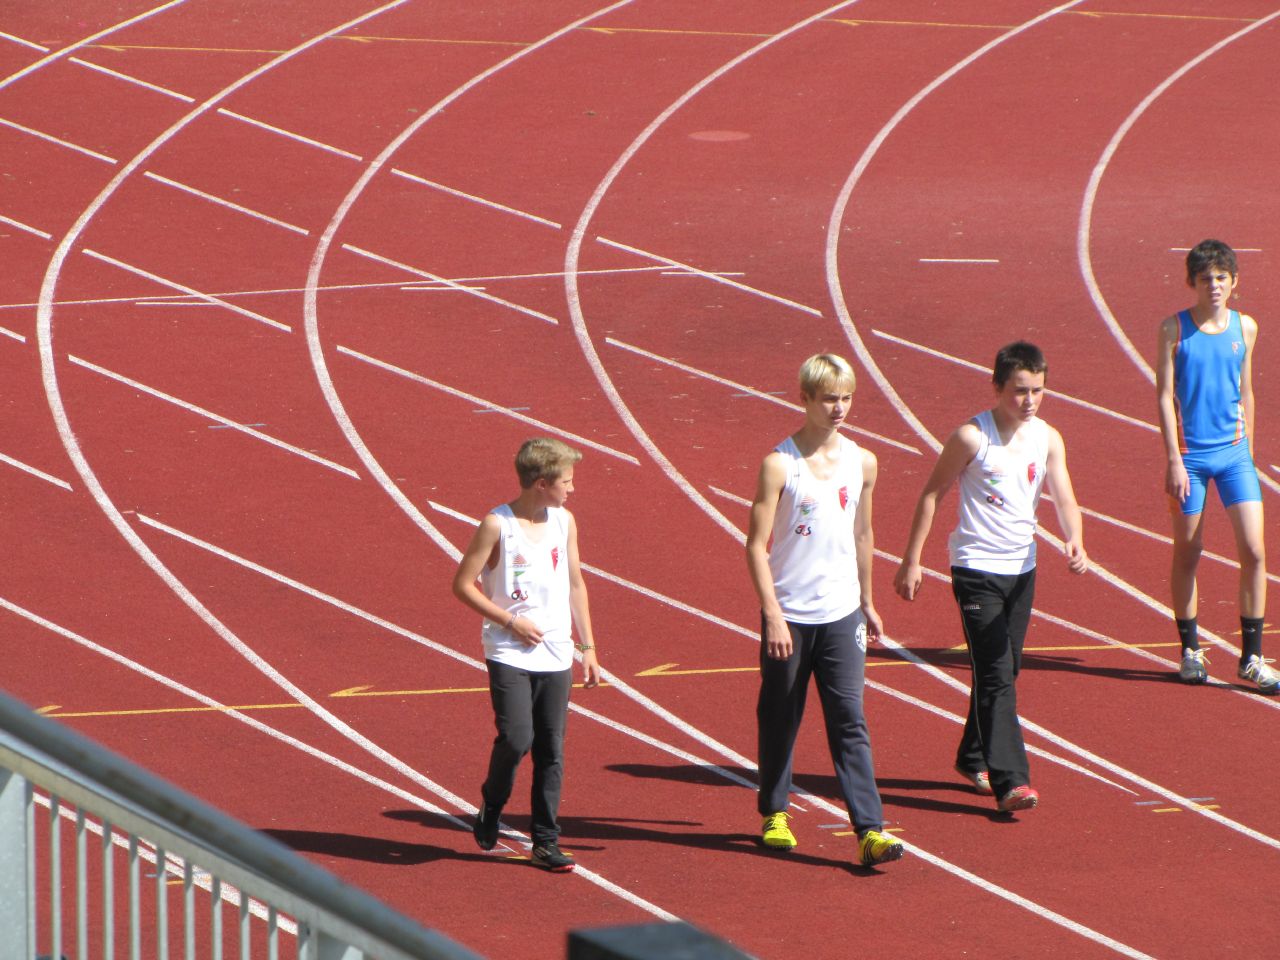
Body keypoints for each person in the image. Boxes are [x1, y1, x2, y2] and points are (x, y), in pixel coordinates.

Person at [893, 341, 1087, 813]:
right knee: (998, 674)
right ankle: (1010, 780)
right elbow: (931, 495)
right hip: (977, 569)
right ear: (997, 386)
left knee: (1003, 669)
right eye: (1020, 391)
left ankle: (972, 754)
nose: (1030, 400)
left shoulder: (1047, 437)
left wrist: (1074, 538)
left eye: (1038, 390)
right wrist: (911, 559)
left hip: (1023, 569)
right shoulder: (971, 438)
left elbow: (1063, 495)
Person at [745, 353, 903, 867]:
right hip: (791, 613)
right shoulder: (780, 464)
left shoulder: (863, 461)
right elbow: (755, 544)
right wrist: (771, 613)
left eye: (847, 397)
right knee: (780, 716)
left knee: (850, 719)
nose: (839, 408)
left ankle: (869, 829)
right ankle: (775, 812)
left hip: (841, 616)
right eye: (829, 398)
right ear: (806, 399)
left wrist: (867, 601)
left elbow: (864, 534)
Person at [452, 437, 602, 872]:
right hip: (509, 651)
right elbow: (462, 585)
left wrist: (587, 647)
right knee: (518, 738)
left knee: (551, 750)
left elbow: (576, 583)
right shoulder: (498, 526)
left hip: (556, 653)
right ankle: (492, 805)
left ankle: (545, 841)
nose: (572, 489)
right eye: (566, 481)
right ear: (541, 483)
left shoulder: (564, 522)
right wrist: (510, 621)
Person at [1155, 239, 1273, 693]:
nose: (1214, 285)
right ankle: (1189, 650)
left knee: (1255, 553)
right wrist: (1173, 459)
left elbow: (1246, 391)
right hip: (1191, 457)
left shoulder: (1246, 328)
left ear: (1234, 282)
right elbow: (1164, 396)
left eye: (1222, 278)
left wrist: (1249, 451)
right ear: (1193, 284)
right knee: (1189, 551)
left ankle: (1251, 658)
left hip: (1234, 455)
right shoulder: (1173, 329)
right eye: (1205, 279)